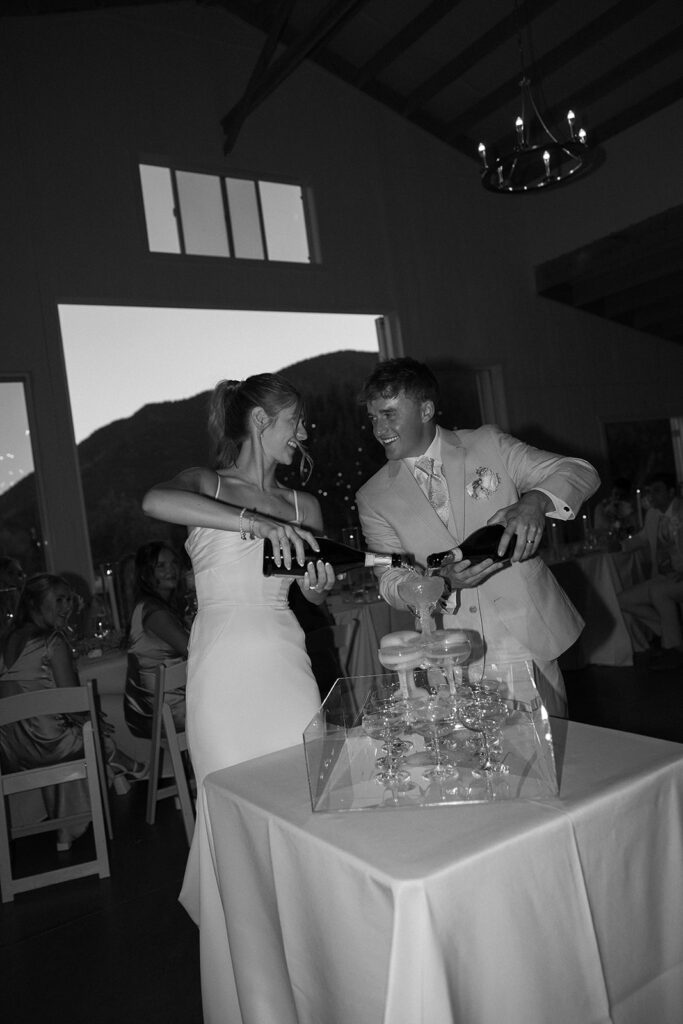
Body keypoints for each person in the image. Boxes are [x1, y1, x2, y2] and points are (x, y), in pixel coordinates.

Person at [141, 373, 334, 919]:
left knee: (307, 799)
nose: (303, 433)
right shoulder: (207, 483)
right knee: (232, 812)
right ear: (259, 421)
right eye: (294, 421)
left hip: (284, 662)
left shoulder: (305, 505)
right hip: (222, 671)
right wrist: (255, 523)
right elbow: (154, 501)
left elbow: (311, 595)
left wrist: (317, 585)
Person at [355, 358, 600, 717]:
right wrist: (440, 583)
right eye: (373, 418)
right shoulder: (372, 495)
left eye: (389, 414)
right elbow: (391, 581)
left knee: (548, 752)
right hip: (450, 651)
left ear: (425, 409)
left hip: (524, 636)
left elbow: (579, 471)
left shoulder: (488, 445)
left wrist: (536, 500)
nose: (379, 429)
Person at [0, 573, 146, 850]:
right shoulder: (51, 641)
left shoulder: (4, 639)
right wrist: (93, 720)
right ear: (34, 603)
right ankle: (119, 759)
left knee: (79, 726)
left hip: (9, 750)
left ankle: (67, 829)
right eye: (59, 599)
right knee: (96, 726)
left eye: (70, 599)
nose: (68, 607)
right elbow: (73, 702)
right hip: (47, 744)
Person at [124, 541, 190, 738]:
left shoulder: (156, 606)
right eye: (160, 566)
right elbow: (191, 649)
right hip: (160, 711)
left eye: (173, 563)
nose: (171, 570)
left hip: (166, 703)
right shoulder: (153, 612)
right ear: (146, 573)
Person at [618, 472, 683, 669]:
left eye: (657, 490)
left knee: (658, 592)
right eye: (649, 491)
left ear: (671, 492)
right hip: (664, 576)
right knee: (623, 599)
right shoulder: (653, 514)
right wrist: (620, 546)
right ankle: (672, 634)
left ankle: (674, 648)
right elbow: (644, 538)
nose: (651, 495)